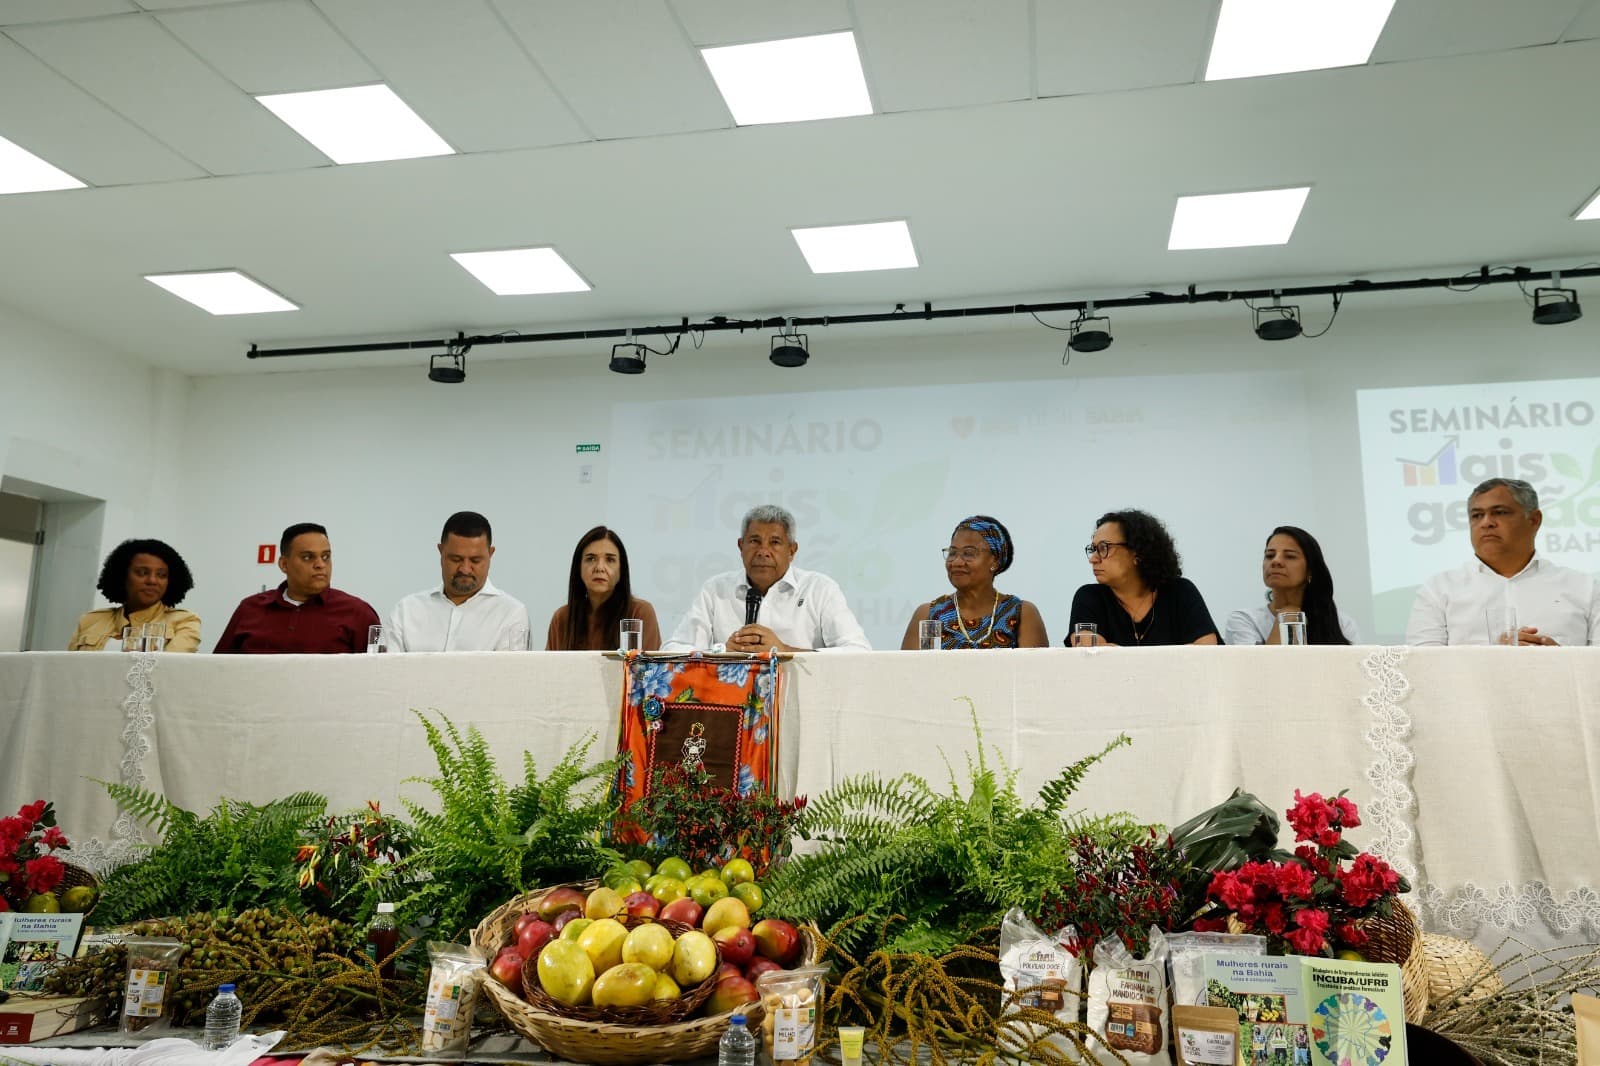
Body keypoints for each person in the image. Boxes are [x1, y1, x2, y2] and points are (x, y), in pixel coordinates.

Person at [1407, 477, 1600, 646]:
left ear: (1534, 520)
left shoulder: (1585, 589)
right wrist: (1496, 658)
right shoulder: (1439, 590)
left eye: (1499, 512)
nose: (1486, 522)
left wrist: (1558, 661)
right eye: (1477, 515)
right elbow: (1423, 669)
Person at [663, 504, 870, 652]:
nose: (763, 551)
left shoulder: (819, 589)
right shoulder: (715, 590)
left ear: (792, 550)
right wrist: (721, 652)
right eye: (754, 541)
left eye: (775, 542)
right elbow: (671, 650)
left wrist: (784, 651)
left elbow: (858, 652)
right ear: (740, 546)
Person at [213, 522, 379, 654]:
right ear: (284, 564)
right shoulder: (249, 609)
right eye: (308, 557)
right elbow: (217, 672)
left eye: (326, 556)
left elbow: (378, 679)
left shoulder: (358, 613)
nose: (320, 564)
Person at [1067, 509, 1219, 646]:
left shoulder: (1180, 592)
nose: (1093, 558)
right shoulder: (1089, 597)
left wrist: (1118, 655)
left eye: (1103, 548)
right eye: (1093, 549)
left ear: (1137, 553)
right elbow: (1088, 653)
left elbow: (1206, 650)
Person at [386, 511, 530, 652]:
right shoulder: (406, 611)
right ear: (441, 552)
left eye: (475, 560)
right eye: (456, 559)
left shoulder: (511, 614)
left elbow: (510, 674)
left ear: (490, 554)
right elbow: (386, 671)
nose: (465, 569)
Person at [899, 515, 1048, 649]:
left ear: (994, 561)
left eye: (968, 553)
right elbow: (912, 673)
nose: (956, 562)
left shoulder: (1020, 613)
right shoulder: (930, 615)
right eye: (952, 552)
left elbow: (1033, 676)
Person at [1225, 526, 1360, 645]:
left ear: (1310, 570)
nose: (1276, 561)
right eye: (1270, 555)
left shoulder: (1342, 623)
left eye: (1289, 556)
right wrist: (1286, 617)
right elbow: (1259, 671)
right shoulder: (1244, 620)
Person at [68, 538, 201, 652]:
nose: (152, 581)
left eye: (161, 575)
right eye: (142, 573)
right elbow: (68, 668)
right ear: (122, 576)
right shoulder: (90, 620)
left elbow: (169, 669)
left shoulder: (184, 621)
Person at [545, 526, 661, 651]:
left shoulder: (639, 613)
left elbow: (648, 669)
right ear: (578, 568)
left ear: (621, 570)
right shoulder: (562, 618)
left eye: (610, 560)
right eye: (591, 559)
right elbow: (550, 668)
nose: (600, 567)